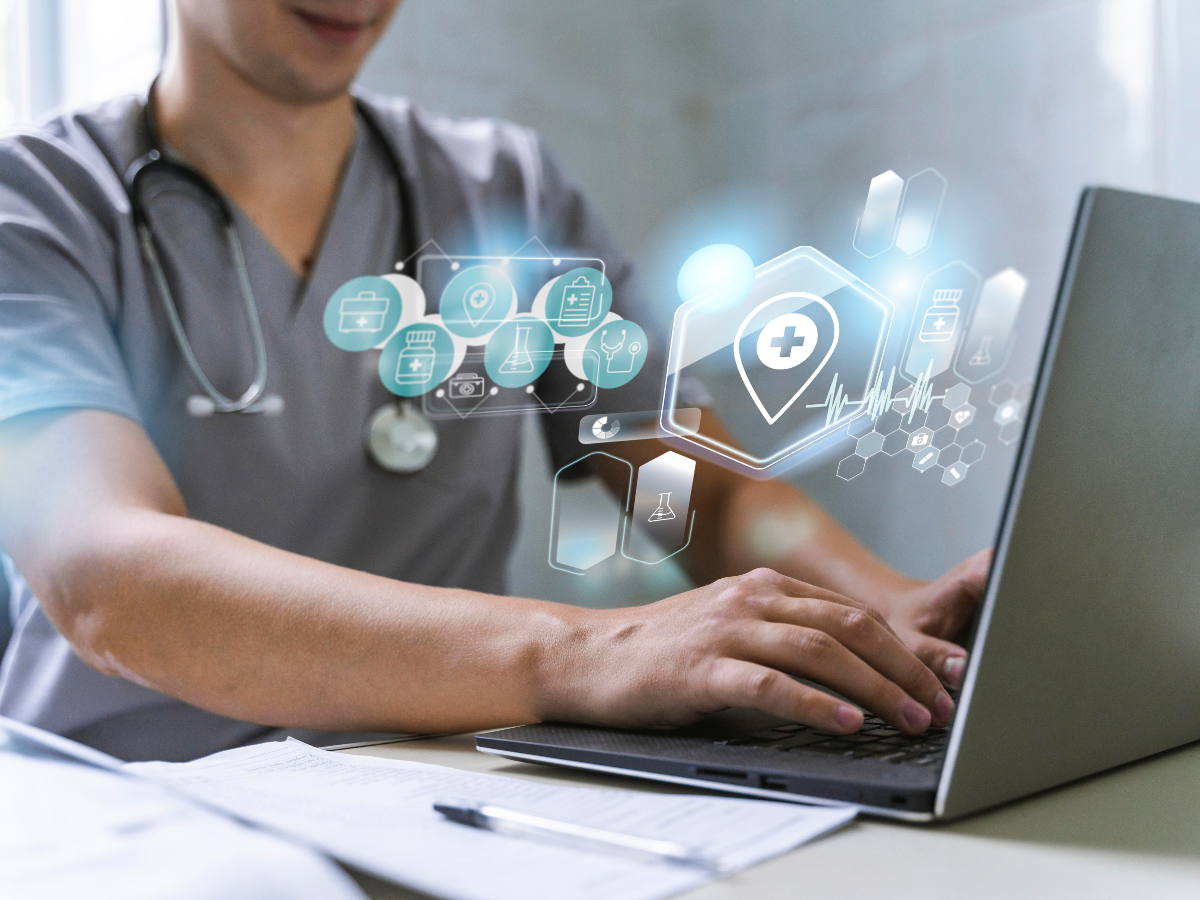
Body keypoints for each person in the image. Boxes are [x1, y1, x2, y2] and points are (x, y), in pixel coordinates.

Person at [0, 0, 987, 762]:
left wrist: (887, 612)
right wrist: (583, 654)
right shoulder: (37, 207)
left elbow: (689, 485)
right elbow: (106, 578)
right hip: (130, 811)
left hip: (431, 787)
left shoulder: (501, 193)